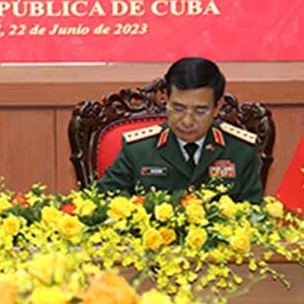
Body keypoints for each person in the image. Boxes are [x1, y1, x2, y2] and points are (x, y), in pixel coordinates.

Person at [96, 57, 264, 203]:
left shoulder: (241, 150)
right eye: (178, 108)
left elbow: (254, 213)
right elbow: (104, 201)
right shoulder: (138, 149)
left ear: (217, 107)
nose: (187, 121)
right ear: (166, 100)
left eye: (200, 111)